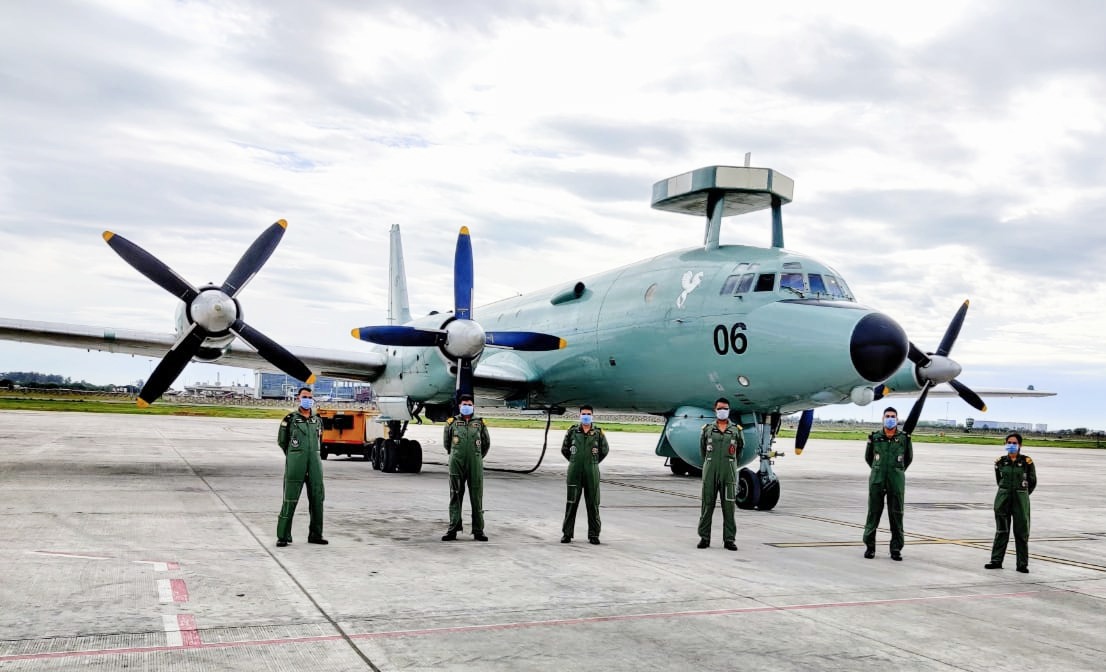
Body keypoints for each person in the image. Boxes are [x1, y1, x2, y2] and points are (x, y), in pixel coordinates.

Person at [276, 387, 327, 547]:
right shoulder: (290, 419)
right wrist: (294, 455)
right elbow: (282, 442)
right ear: (298, 398)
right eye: (305, 396)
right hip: (296, 464)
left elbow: (320, 440)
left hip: (314, 464)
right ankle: (283, 536)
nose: (308, 399)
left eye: (310, 397)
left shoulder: (317, 420)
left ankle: (316, 535)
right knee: (290, 499)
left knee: (317, 498)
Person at [863, 406, 912, 560]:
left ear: (897, 420)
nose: (890, 419)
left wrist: (897, 471)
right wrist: (878, 470)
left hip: (896, 481)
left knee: (896, 514)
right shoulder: (875, 437)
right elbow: (868, 458)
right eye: (887, 416)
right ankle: (870, 548)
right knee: (873, 513)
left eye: (893, 416)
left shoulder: (904, 438)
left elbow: (908, 458)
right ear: (883, 419)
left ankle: (896, 549)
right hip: (877, 480)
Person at [442, 393, 490, 542]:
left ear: (473, 406)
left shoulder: (480, 423)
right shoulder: (452, 423)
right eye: (464, 404)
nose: (467, 407)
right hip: (457, 463)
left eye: (469, 404)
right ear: (459, 406)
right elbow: (447, 443)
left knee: (476, 496)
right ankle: (453, 529)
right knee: (455, 495)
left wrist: (476, 457)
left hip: (475, 463)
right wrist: (457, 455)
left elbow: (486, 444)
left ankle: (478, 530)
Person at [985, 433, 1036, 573]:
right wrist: (1005, 492)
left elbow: (1032, 482)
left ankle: (1022, 564)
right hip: (1003, 499)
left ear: (1020, 445)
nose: (1011, 445)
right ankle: (996, 561)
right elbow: (998, 481)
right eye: (1009, 442)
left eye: (1014, 443)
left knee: (1021, 532)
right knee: (1001, 531)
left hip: (1020, 500)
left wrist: (1022, 494)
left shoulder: (1027, 462)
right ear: (1005, 443)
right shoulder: (1000, 462)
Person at [697, 398, 742, 551]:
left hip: (728, 473)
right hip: (710, 471)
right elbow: (703, 450)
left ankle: (729, 539)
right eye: (720, 408)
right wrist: (710, 464)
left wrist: (731, 464)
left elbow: (739, 451)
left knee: (729, 506)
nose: (723, 411)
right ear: (715, 410)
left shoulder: (736, 430)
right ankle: (704, 538)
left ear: (729, 410)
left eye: (726, 408)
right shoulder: (708, 429)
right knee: (707, 505)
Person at [560, 404, 610, 544]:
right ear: (580, 415)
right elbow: (565, 449)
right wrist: (575, 461)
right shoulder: (572, 431)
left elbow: (604, 450)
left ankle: (594, 535)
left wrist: (593, 462)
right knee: (571, 503)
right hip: (574, 471)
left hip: (591, 472)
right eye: (584, 414)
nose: (586, 416)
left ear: (592, 416)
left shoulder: (598, 433)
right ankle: (567, 534)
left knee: (593, 503)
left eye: (588, 414)